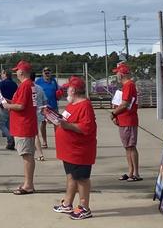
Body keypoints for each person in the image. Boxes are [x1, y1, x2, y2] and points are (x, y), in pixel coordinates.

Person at [52, 76, 97, 220]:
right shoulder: (72, 104)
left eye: (68, 89)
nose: (66, 91)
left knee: (82, 179)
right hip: (69, 151)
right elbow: (66, 119)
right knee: (71, 176)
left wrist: (66, 125)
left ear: (74, 90)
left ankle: (84, 207)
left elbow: (86, 128)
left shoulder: (85, 105)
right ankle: (67, 203)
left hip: (80, 151)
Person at [0, 60, 38, 195]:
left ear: (22, 71)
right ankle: (28, 183)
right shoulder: (28, 85)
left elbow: (20, 106)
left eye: (17, 70)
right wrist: (7, 101)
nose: (16, 73)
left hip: (24, 125)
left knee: (27, 155)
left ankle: (28, 185)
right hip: (25, 124)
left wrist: (7, 106)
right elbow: (20, 103)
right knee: (27, 155)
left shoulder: (26, 86)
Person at [110, 62, 140, 181]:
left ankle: (135, 173)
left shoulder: (129, 85)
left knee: (131, 146)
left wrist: (114, 113)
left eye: (117, 73)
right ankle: (130, 171)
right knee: (127, 147)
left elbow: (125, 104)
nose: (116, 75)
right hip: (124, 120)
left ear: (121, 74)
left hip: (129, 120)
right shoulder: (126, 86)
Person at [36, 67, 60, 152]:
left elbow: (57, 92)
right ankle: (44, 142)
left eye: (48, 71)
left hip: (53, 106)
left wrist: (59, 95)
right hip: (43, 107)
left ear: (50, 73)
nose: (47, 73)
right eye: (45, 71)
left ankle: (58, 141)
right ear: (42, 73)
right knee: (43, 124)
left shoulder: (54, 81)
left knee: (56, 124)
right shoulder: (38, 81)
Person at [0, 69, 18, 150]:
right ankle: (10, 143)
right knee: (9, 125)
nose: (1, 75)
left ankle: (10, 139)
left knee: (1, 124)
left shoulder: (2, 83)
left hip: (4, 106)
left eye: (2, 74)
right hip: (12, 106)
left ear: (5, 74)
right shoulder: (14, 84)